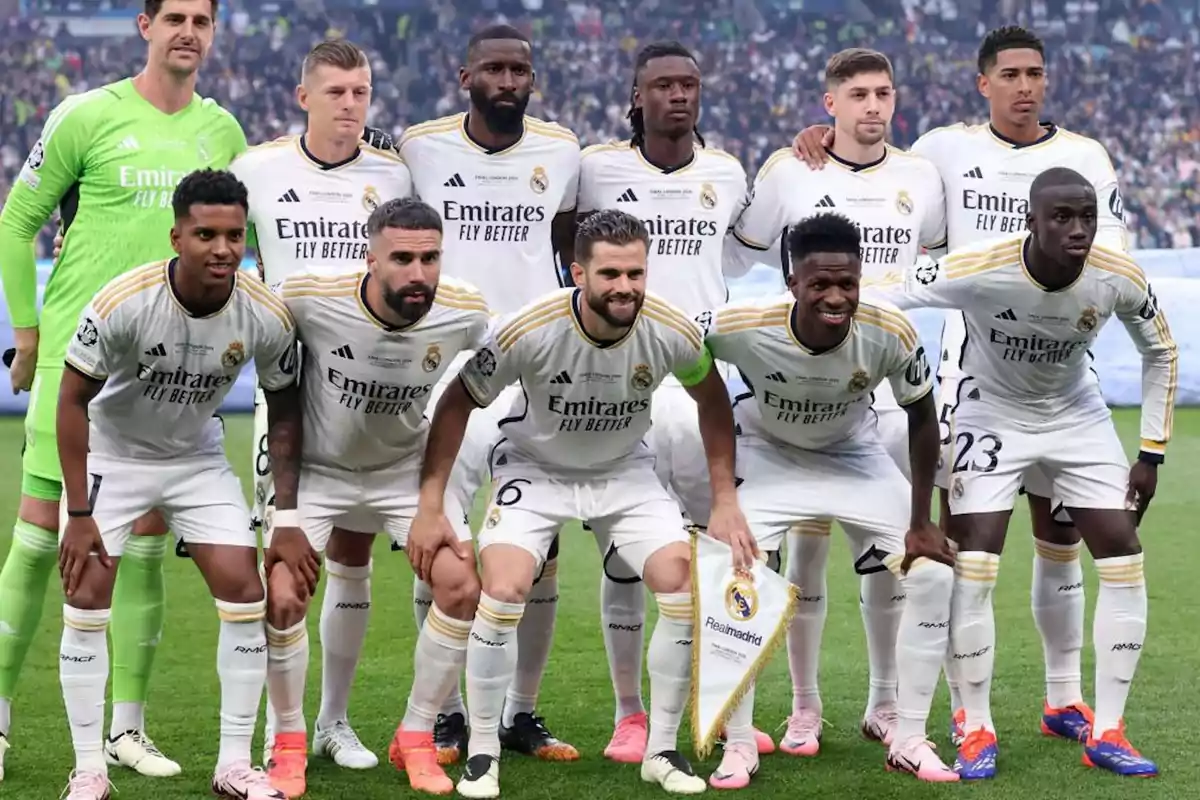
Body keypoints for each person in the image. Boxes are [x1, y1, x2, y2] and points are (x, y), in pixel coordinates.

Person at [790, 26, 1129, 747]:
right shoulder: (946, 149)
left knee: (1059, 537)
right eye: (1010, 74)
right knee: (968, 548)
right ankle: (963, 710)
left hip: (1065, 377)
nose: (1025, 86)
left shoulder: (1085, 159)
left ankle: (1063, 697)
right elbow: (879, 164)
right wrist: (821, 135)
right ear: (984, 83)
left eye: (1035, 73)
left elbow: (1111, 257)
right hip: (975, 378)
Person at [409, 209, 754, 798]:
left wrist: (725, 497)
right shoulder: (529, 329)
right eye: (611, 273)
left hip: (624, 471)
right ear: (578, 273)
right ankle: (485, 751)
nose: (625, 287)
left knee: (680, 582)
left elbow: (712, 401)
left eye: (636, 273)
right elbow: (459, 402)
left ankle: (662, 749)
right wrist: (432, 500)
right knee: (506, 587)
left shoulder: (669, 329)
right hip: (535, 470)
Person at [0, 0, 247, 779]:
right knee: (42, 541)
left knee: (142, 546)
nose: (187, 31)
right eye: (172, 15)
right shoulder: (87, 114)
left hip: (166, 379)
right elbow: (18, 219)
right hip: (77, 365)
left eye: (201, 20)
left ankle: (126, 731)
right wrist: (30, 330)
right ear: (145, 26)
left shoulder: (225, 133)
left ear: (212, 32)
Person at [865, 167, 1174, 779]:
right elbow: (886, 292)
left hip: (1076, 414)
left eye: (1086, 216)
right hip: (991, 412)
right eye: (1062, 217)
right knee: (975, 561)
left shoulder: (1116, 276)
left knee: (1122, 551)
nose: (1078, 229)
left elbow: (1161, 348)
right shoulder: (981, 266)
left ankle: (1107, 729)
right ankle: (973, 724)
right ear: (1030, 221)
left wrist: (1151, 451)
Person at [727, 48, 946, 757]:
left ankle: (885, 704)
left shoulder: (921, 175)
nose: (873, 107)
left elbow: (938, 259)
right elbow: (743, 257)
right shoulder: (789, 170)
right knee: (805, 565)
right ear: (830, 105)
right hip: (801, 393)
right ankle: (803, 709)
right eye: (858, 95)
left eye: (884, 93)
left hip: (882, 388)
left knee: (887, 563)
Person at [55, 169, 296, 800]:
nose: (221, 248)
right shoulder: (123, 301)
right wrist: (79, 511)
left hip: (196, 459)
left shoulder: (264, 310)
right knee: (86, 593)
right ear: (176, 236)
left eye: (234, 235)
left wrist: (289, 516)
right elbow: (71, 399)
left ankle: (234, 766)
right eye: (205, 234)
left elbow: (288, 403)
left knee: (247, 591)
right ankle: (88, 770)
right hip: (115, 457)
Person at [699, 212, 956, 785]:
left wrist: (921, 522)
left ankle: (908, 735)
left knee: (933, 573)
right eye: (820, 284)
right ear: (792, 282)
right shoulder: (740, 323)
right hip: (768, 454)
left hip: (853, 456)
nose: (836, 297)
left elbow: (921, 416)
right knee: (735, 571)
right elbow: (684, 357)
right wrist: (720, 492)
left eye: (847, 283)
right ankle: (737, 742)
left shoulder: (890, 329)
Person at [396, 23, 582, 765]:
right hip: (446, 375)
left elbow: (568, 243)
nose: (508, 82)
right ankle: (442, 715)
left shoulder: (562, 150)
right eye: (494, 70)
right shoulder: (418, 147)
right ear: (463, 73)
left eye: (520, 71)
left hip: (533, 374)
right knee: (438, 535)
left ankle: (520, 714)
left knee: (541, 551)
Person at [574, 39, 764, 761]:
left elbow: (736, 259)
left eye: (689, 83)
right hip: (618, 384)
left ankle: (721, 704)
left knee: (718, 548)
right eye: (662, 85)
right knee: (625, 554)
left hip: (699, 384)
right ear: (637, 95)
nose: (678, 95)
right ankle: (631, 714)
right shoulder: (597, 168)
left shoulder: (726, 172)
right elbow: (572, 245)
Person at [229, 37, 414, 777]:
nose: (349, 104)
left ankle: (335, 720)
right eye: (335, 91)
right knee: (284, 565)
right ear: (303, 96)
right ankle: (283, 731)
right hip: (288, 395)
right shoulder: (258, 170)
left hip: (369, 395)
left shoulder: (393, 174)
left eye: (361, 92)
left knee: (353, 554)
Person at [263, 198, 488, 797]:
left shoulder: (464, 313)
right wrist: (283, 509)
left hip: (398, 473)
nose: (419, 274)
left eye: (431, 258)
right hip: (316, 471)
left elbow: (465, 394)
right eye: (403, 259)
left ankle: (415, 735)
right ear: (370, 258)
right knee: (283, 595)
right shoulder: (308, 295)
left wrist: (433, 502)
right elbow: (276, 381)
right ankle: (286, 740)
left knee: (462, 586)